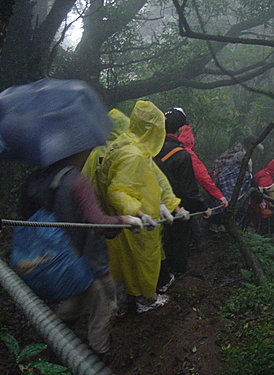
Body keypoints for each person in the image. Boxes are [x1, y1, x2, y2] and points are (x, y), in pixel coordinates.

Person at [19, 150, 143, 363]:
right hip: (87, 259)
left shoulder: (41, 178)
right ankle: (99, 351)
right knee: (105, 305)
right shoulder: (76, 180)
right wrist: (125, 220)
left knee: (75, 299)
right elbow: (98, 223)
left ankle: (55, 337)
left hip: (57, 257)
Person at [95, 100, 183, 314]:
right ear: (152, 129)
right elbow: (117, 191)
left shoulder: (129, 144)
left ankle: (131, 300)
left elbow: (153, 178)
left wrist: (166, 203)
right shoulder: (133, 154)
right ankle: (146, 300)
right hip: (138, 221)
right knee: (143, 261)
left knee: (130, 261)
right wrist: (139, 213)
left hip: (137, 217)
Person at [154, 108, 212, 277]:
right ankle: (177, 273)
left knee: (160, 242)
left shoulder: (152, 147)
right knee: (179, 242)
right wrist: (203, 207)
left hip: (153, 205)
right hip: (179, 208)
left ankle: (162, 273)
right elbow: (189, 191)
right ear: (180, 129)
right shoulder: (182, 155)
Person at [177, 112, 228, 249]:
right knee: (185, 221)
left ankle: (196, 243)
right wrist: (219, 196)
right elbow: (203, 177)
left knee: (186, 220)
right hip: (182, 198)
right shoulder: (184, 151)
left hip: (166, 200)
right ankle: (193, 247)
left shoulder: (161, 144)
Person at [209, 150, 255, 232]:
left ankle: (214, 226)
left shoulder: (225, 170)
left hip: (216, 206)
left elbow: (215, 186)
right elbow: (245, 195)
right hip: (232, 209)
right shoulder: (246, 175)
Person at [251, 158, 274, 236]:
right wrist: (268, 206)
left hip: (264, 207)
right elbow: (261, 192)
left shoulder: (265, 173)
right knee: (266, 228)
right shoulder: (265, 178)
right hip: (265, 208)